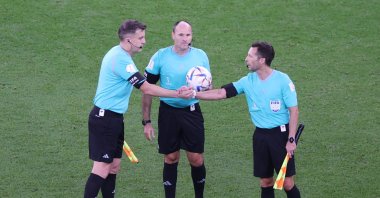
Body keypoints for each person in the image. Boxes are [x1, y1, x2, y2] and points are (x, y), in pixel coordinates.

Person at [83, 19, 193, 198]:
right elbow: (146, 87)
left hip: (114, 119)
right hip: (104, 120)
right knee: (102, 168)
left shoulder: (122, 55)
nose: (144, 41)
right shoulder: (120, 59)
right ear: (129, 41)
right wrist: (177, 93)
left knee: (113, 166)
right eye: (140, 38)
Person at [195, 41, 301, 198]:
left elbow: (294, 111)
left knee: (287, 183)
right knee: (265, 182)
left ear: (261, 60)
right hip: (260, 136)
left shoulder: (283, 80)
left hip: (281, 136)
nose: (246, 59)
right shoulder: (248, 81)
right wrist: (193, 94)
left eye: (250, 56)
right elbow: (221, 93)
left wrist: (291, 140)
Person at [142, 20, 210, 198]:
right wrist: (147, 121)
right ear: (173, 35)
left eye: (188, 35)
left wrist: (195, 91)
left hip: (192, 112)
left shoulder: (200, 56)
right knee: (171, 157)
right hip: (168, 113)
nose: (184, 39)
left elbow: (207, 86)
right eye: (180, 35)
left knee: (196, 158)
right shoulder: (160, 57)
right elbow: (146, 88)